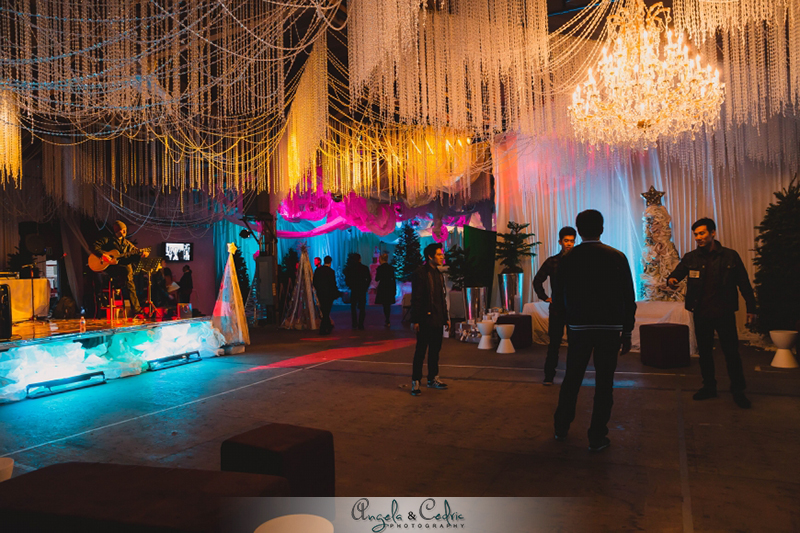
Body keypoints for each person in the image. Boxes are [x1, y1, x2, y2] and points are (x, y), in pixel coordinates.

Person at [552, 210, 636, 451]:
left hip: (579, 327)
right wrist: (627, 331)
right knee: (604, 383)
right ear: (602, 228)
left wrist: (564, 324)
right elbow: (628, 296)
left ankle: (561, 427)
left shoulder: (568, 258)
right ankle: (597, 436)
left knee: (572, 378)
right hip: (609, 329)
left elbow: (558, 296)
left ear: (578, 231)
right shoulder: (617, 256)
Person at [668, 217, 756, 409]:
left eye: (702, 233)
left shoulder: (730, 256)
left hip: (724, 312)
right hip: (701, 313)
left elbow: (744, 283)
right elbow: (677, 274)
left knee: (731, 353)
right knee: (705, 353)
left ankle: (738, 391)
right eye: (696, 234)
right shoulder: (691, 257)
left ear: (713, 233)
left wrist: (751, 308)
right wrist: (672, 280)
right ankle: (709, 387)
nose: (698, 237)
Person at [533, 226, 576, 385]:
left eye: (571, 241)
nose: (569, 244)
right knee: (554, 344)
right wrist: (545, 297)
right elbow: (537, 280)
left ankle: (571, 377)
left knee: (574, 345)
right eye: (566, 241)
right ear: (560, 242)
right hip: (558, 308)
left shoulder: (578, 261)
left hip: (573, 308)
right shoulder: (552, 261)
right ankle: (549, 376)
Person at [410, 243, 450, 396]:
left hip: (437, 318)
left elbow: (441, 298)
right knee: (421, 351)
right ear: (430, 256)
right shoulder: (420, 273)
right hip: (425, 319)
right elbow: (417, 297)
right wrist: (415, 320)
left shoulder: (438, 274)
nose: (441, 257)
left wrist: (445, 317)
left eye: (441, 254)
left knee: (435, 350)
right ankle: (416, 381)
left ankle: (432, 378)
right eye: (439, 255)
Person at [91, 220, 149, 316]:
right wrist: (103, 255)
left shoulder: (127, 244)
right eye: (122, 230)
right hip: (111, 269)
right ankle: (135, 308)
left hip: (123, 271)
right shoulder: (108, 240)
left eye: (125, 229)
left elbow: (132, 255)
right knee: (127, 272)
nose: (125, 231)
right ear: (117, 231)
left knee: (128, 271)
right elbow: (94, 246)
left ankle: (135, 307)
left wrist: (141, 255)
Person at [344, 253, 372, 330]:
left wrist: (350, 286)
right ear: (360, 259)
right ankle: (361, 324)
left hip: (354, 289)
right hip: (362, 290)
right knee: (362, 308)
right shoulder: (364, 268)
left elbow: (347, 279)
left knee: (353, 307)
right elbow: (369, 279)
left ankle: (354, 323)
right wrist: (365, 287)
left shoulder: (350, 268)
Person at [313, 256, 339, 335]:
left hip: (320, 293)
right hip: (328, 294)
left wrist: (318, 289)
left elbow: (314, 282)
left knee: (324, 310)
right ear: (330, 262)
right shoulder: (331, 271)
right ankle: (324, 328)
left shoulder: (318, 270)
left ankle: (327, 326)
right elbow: (332, 284)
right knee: (326, 311)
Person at [375, 253, 396, 327]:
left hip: (383, 287)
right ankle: (387, 318)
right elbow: (393, 278)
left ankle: (387, 319)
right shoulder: (391, 268)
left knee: (385, 304)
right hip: (390, 286)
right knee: (388, 304)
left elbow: (377, 278)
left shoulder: (380, 268)